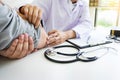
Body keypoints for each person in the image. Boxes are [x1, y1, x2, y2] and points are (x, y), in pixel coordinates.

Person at [20, 0, 93, 46]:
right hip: (48, 44)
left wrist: (66, 35)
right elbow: (26, 10)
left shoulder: (83, 3)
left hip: (68, 45)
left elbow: (87, 24)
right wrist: (24, 9)